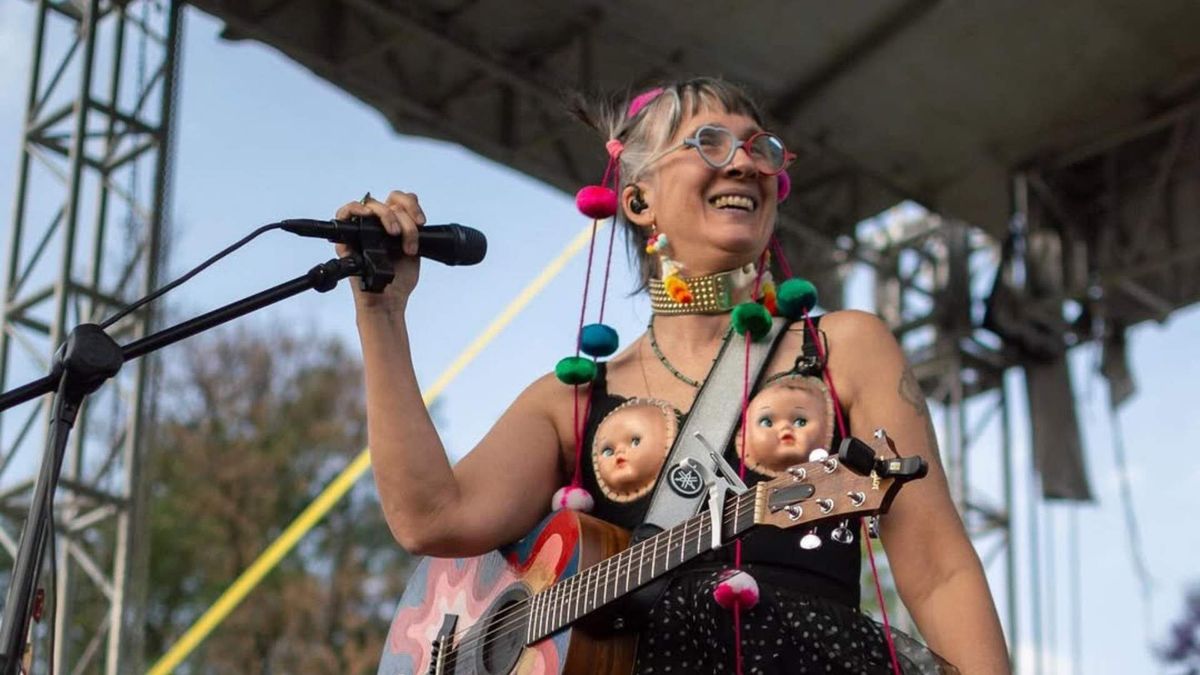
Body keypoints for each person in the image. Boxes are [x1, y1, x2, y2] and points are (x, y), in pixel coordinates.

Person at [338, 77, 1009, 673]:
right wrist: (381, 308)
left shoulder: (845, 348)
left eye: (762, 148)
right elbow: (430, 517)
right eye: (710, 142)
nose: (746, 161)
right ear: (637, 200)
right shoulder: (571, 399)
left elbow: (941, 569)